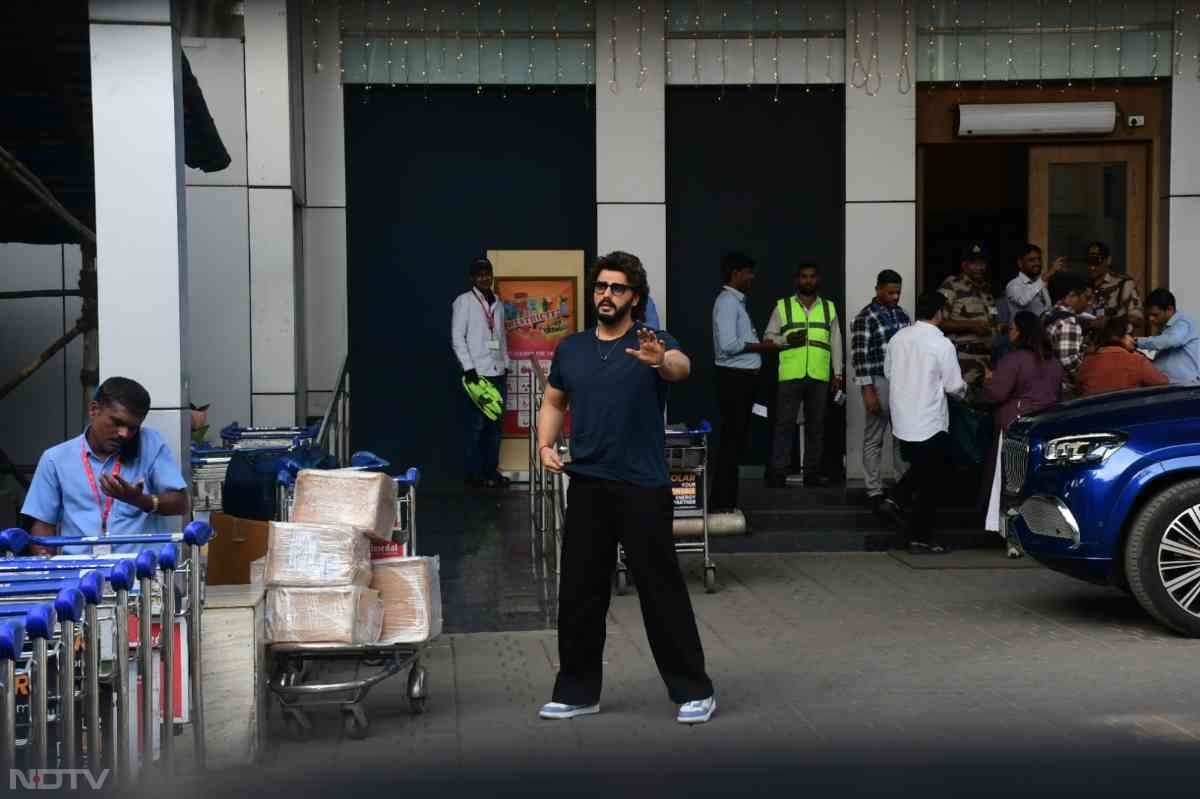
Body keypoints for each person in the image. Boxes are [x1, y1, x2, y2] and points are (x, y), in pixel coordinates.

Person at [535, 251, 716, 725]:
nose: (607, 295)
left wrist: (660, 361)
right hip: (589, 484)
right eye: (600, 287)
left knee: (660, 590)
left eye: (617, 288)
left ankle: (694, 690)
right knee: (579, 592)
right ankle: (577, 692)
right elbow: (554, 399)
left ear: (635, 296)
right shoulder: (572, 348)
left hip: (641, 484)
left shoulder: (652, 341)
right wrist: (544, 442)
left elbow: (680, 366)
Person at [21, 377, 189, 555]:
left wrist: (140, 500)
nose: (124, 433)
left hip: (142, 573)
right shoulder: (55, 459)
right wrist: (50, 570)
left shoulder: (150, 444)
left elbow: (181, 503)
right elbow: (43, 525)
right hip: (82, 573)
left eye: (133, 428)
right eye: (117, 422)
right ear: (94, 410)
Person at [884, 291, 967, 554]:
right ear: (939, 312)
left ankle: (899, 503)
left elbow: (888, 372)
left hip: (902, 419)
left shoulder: (897, 339)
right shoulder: (941, 344)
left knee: (923, 472)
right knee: (931, 482)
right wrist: (967, 389)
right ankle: (917, 533)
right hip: (930, 419)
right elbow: (954, 386)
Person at [981, 312, 1063, 557]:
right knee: (1039, 485)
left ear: (1022, 332)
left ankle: (1014, 541)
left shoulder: (1013, 359)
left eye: (1013, 329)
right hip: (1047, 426)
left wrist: (987, 380)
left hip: (1016, 426)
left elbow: (997, 394)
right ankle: (1043, 535)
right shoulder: (1054, 362)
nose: (1011, 333)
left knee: (1012, 484)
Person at [763, 263, 844, 488]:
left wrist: (837, 374)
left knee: (816, 426)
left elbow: (835, 343)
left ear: (817, 280)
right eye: (804, 277)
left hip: (819, 375)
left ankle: (812, 473)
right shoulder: (783, 306)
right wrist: (786, 340)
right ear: (797, 280)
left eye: (812, 277)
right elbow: (768, 338)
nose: (808, 281)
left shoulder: (829, 307)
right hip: (790, 374)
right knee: (784, 425)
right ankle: (778, 472)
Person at [710, 252, 778, 512]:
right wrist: (768, 346)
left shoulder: (735, 302)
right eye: (749, 272)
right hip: (734, 380)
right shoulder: (728, 302)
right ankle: (722, 505)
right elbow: (728, 346)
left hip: (739, 380)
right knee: (731, 445)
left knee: (734, 444)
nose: (752, 277)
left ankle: (726, 504)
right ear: (736, 273)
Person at [849, 268, 910, 515]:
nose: (895, 297)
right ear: (878, 290)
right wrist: (868, 390)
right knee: (874, 436)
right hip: (878, 381)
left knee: (902, 435)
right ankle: (874, 489)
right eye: (890, 292)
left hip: (902, 383)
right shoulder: (866, 317)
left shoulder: (902, 315)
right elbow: (859, 356)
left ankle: (902, 485)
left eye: (898, 292)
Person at [451, 256, 511, 489]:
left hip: (497, 372)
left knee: (495, 428)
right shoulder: (463, 301)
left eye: (488, 272)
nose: (485, 277)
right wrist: (468, 368)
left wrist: (506, 363)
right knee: (476, 428)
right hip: (477, 375)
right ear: (472, 278)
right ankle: (473, 474)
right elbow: (457, 337)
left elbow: (501, 337)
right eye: (480, 274)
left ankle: (491, 473)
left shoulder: (498, 303)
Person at [939, 243, 998, 395]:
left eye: (982, 263)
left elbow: (991, 322)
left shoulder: (987, 290)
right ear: (964, 265)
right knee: (964, 407)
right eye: (975, 263)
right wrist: (970, 325)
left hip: (987, 360)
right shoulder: (951, 286)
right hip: (963, 360)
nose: (980, 267)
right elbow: (939, 322)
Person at [1077, 315, 1169, 396]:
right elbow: (1163, 384)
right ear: (1118, 336)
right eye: (1129, 335)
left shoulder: (1087, 361)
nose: (1133, 339)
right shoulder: (1136, 360)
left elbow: (1080, 388)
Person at [1044, 271, 1093, 398]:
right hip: (1063, 389)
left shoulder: (1048, 314)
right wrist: (1089, 378)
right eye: (1086, 298)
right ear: (1071, 296)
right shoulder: (1068, 322)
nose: (1089, 303)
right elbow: (1068, 359)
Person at [1135, 289, 1200, 385]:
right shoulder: (1168, 330)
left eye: (1155, 314)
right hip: (1172, 388)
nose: (1150, 319)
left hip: (1185, 389)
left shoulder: (1183, 322)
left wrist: (1137, 342)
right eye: (1149, 315)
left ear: (1169, 309)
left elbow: (1172, 341)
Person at [1087, 240, 1144, 333]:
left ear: (1108, 260)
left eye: (1097, 261)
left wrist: (1110, 320)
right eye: (1089, 262)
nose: (1092, 267)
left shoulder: (1123, 284)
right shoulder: (1084, 286)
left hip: (1114, 342)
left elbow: (1138, 319)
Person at [1006, 243, 1062, 319]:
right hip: (1021, 330)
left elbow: (1045, 311)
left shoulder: (1039, 283)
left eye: (1039, 259)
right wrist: (1047, 275)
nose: (1037, 263)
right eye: (1031, 260)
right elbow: (1022, 301)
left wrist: (1060, 306)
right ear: (1020, 263)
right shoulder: (1013, 285)